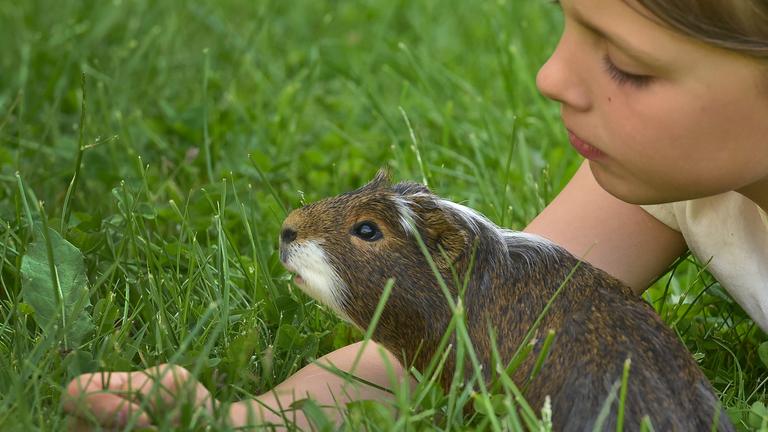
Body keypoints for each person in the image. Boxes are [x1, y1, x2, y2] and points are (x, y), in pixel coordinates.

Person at [64, 0, 768, 429]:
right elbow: (455, 332)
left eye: (626, 65)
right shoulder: (662, 182)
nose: (550, 76)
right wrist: (244, 418)